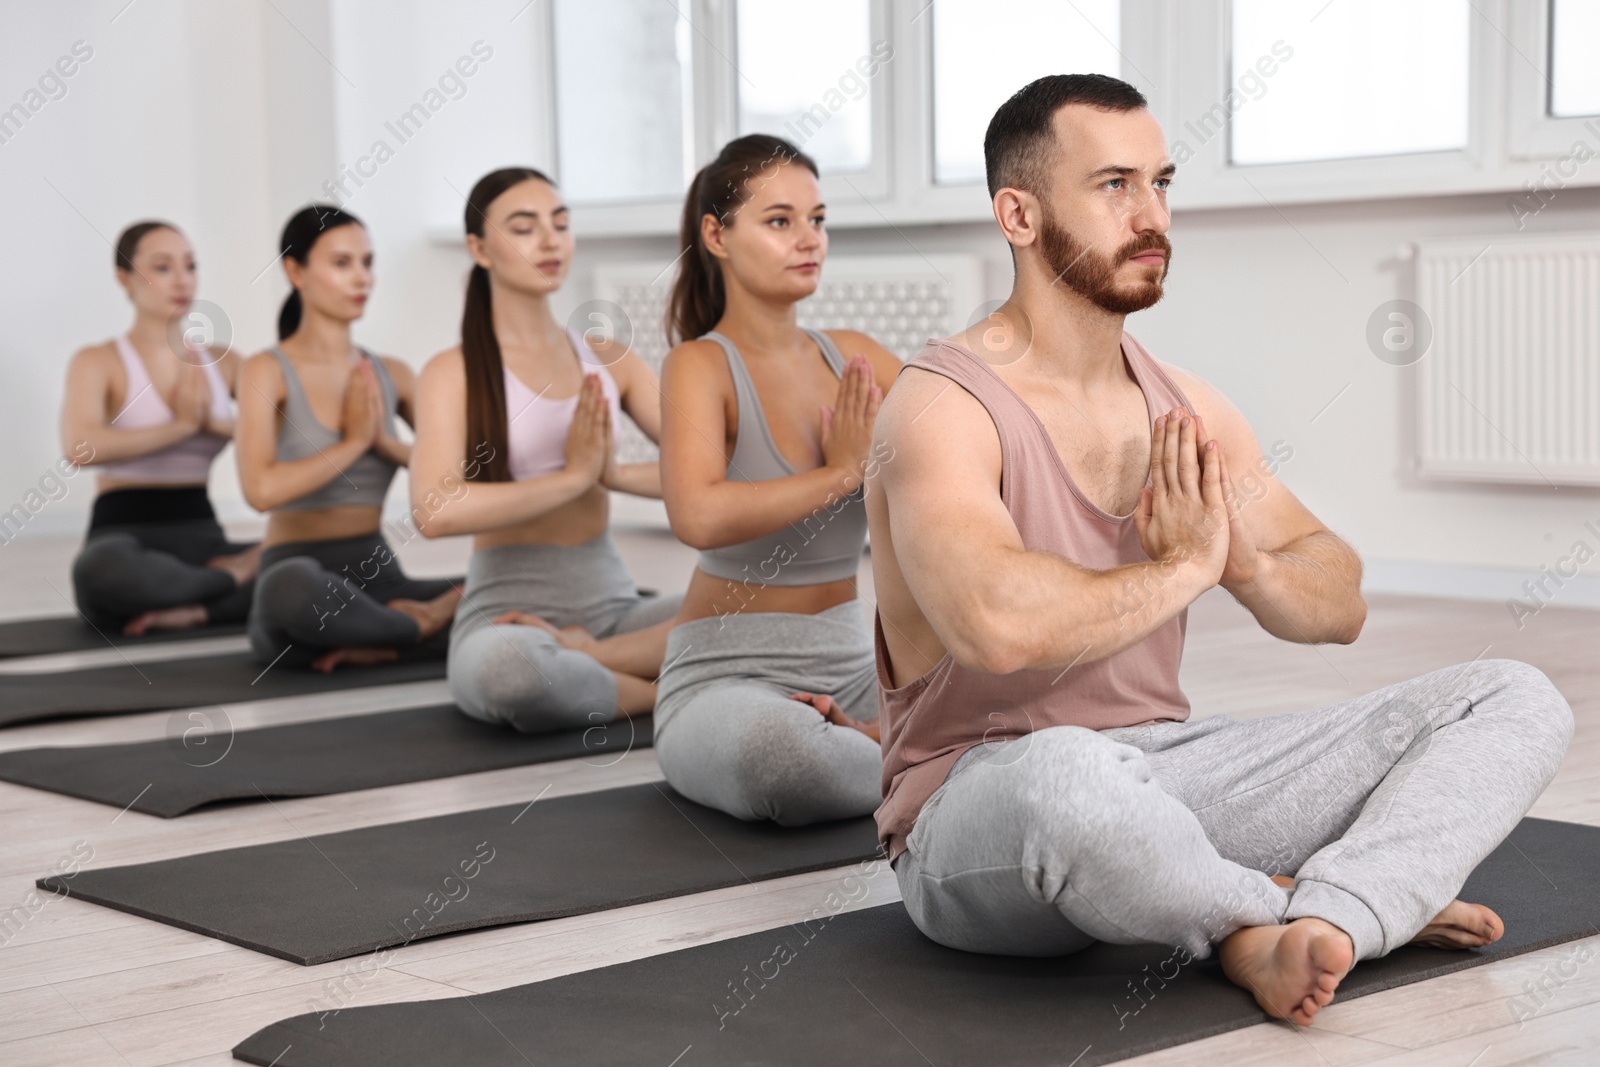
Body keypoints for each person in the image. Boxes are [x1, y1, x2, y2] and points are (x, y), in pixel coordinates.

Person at [866, 74, 1573, 1026]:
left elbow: (1342, 598)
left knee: (1513, 695)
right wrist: (1182, 568)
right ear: (1019, 215)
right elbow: (993, 626)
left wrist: (1243, 565)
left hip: (1170, 770)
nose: (1151, 214)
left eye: (1162, 182)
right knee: (1071, 774)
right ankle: (1274, 913)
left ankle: (1333, 910)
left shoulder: (1188, 408)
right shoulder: (941, 406)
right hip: (984, 807)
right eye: (1114, 185)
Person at [652, 135, 903, 825]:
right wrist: (843, 472)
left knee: (1023, 691)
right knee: (786, 759)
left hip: (852, 666)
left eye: (818, 220)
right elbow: (697, 515)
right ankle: (912, 756)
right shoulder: (699, 366)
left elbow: (969, 432)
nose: (809, 240)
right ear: (717, 235)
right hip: (724, 677)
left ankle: (883, 745)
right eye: (780, 220)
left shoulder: (852, 354)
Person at [410, 166, 682, 733]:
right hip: (506, 619)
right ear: (478, 248)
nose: (551, 239)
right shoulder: (451, 372)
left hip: (614, 607)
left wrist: (610, 474)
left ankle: (596, 663)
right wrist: (571, 478)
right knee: (515, 676)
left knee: (754, 606)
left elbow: (714, 472)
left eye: (560, 223)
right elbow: (433, 512)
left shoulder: (609, 359)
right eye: (525, 226)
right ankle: (674, 697)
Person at [238, 205, 461, 672]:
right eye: (342, 263)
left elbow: (458, 472)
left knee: (508, 580)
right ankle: (422, 630)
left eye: (367, 262)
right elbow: (260, 492)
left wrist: (383, 443)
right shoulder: (266, 371)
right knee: (292, 591)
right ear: (295, 271)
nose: (362, 278)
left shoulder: (393, 375)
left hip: (380, 579)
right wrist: (353, 444)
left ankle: (385, 640)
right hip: (298, 579)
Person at [62, 220, 260, 635]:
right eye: (163, 267)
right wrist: (183, 426)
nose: (182, 280)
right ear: (124, 278)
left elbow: (286, 438)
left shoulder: (225, 362)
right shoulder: (99, 361)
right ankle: (230, 585)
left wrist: (213, 423)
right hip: (123, 540)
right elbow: (80, 448)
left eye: (190, 266)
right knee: (98, 575)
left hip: (204, 541)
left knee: (313, 561)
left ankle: (194, 609)